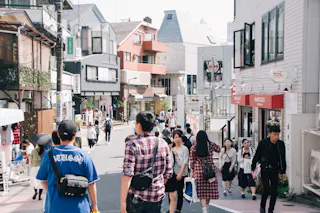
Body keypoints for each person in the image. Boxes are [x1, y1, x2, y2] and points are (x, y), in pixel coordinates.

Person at [36, 120, 99, 213]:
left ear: (58, 134)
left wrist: (54, 192)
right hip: (80, 208)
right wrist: (94, 205)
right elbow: (91, 184)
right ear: (75, 135)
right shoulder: (83, 156)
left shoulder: (48, 156)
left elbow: (43, 180)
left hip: (55, 207)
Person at [120, 112, 173, 213]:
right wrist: (156, 185)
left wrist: (123, 202)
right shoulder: (163, 143)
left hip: (136, 197)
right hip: (157, 197)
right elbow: (168, 173)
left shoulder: (132, 144)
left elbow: (127, 174)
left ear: (139, 125)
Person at [251, 125, 287, 213]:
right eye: (274, 134)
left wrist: (283, 171)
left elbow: (282, 158)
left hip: (275, 170)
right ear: (269, 134)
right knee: (266, 190)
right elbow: (257, 155)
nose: (276, 137)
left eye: (278, 134)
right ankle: (262, 207)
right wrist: (253, 167)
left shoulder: (281, 144)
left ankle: (271, 210)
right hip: (265, 169)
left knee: (274, 192)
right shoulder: (263, 143)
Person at [190, 130, 221, 213]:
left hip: (199, 171)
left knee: (201, 192)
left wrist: (192, 172)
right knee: (209, 191)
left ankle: (204, 210)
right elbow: (219, 149)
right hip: (210, 170)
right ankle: (206, 206)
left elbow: (192, 161)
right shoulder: (210, 145)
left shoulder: (194, 147)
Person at [171, 130, 189, 213]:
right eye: (175, 137)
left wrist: (180, 174)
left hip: (182, 173)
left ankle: (178, 209)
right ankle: (172, 208)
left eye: (178, 137)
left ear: (181, 138)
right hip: (173, 173)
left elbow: (185, 162)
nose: (177, 139)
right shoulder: (172, 149)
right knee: (171, 191)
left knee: (179, 192)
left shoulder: (184, 149)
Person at [164, 137, 177, 213]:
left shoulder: (172, 152)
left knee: (173, 196)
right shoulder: (161, 154)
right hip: (163, 176)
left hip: (170, 176)